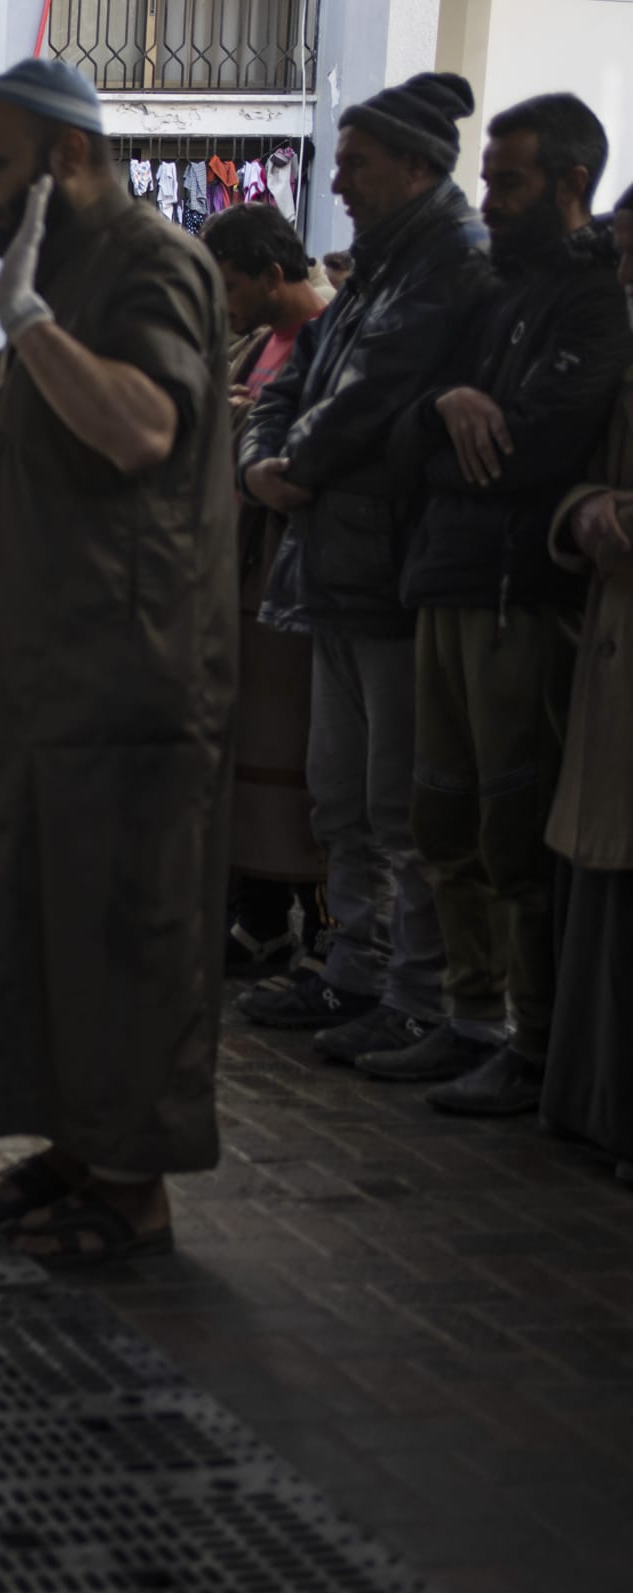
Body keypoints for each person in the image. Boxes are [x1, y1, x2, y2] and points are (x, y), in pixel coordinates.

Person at [0, 59, 237, 1265]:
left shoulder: (149, 263)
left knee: (123, 926)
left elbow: (139, 427)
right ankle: (77, 1151)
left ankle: (133, 1192)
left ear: (67, 157)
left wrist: (24, 324)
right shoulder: (59, 269)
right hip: (39, 664)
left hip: (123, 665)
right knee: (43, 918)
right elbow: (10, 444)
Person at [239, 72, 492, 1064]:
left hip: (389, 569)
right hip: (335, 565)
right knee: (338, 792)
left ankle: (415, 991)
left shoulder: (447, 264)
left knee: (400, 805)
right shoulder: (379, 268)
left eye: (355, 161)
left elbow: (374, 396)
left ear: (418, 166)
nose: (335, 180)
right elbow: (294, 377)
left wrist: (287, 461)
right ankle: (355, 973)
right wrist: (266, 456)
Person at [385, 93, 631, 1113]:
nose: (486, 197)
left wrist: (452, 445)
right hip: (447, 577)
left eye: (507, 180)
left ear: (571, 183)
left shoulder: (591, 301)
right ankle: (466, 1014)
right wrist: (444, 410)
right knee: (437, 813)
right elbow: (401, 431)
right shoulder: (490, 289)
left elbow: (531, 453)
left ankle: (527, 1040)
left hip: (516, 597)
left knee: (508, 827)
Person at [202, 203, 331, 975]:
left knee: (306, 769)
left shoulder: (323, 337)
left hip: (295, 581)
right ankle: (260, 921)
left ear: (272, 275)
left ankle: (318, 931)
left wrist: (243, 429)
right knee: (250, 760)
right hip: (246, 574)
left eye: (228, 287)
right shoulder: (254, 343)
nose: (222, 305)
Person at [542, 185, 633, 1171]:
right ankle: (590, 1099)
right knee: (598, 883)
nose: (621, 275)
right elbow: (580, 474)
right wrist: (584, 511)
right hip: (611, 641)